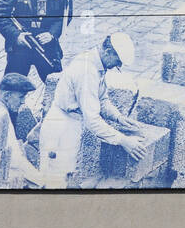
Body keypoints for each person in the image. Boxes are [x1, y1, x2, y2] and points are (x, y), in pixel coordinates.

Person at [39, 33, 146, 187]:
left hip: (71, 124)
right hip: (61, 127)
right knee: (53, 182)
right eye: (118, 61)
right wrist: (124, 141)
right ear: (108, 51)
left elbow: (102, 99)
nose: (118, 66)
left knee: (65, 176)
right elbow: (92, 120)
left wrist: (118, 117)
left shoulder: (98, 65)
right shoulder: (87, 71)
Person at [0, 72, 46, 189]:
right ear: (7, 96)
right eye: (21, 97)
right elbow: (15, 159)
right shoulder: (1, 114)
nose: (23, 102)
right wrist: (41, 182)